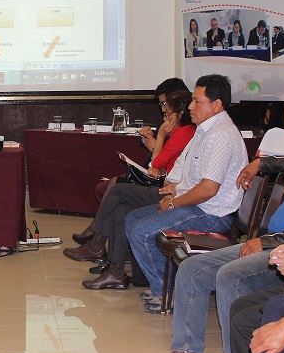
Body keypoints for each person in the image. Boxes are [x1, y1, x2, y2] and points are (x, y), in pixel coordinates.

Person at [144, 108, 284, 353]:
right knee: (194, 269)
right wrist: (257, 163)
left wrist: (267, 242)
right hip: (274, 243)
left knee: (230, 276)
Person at [125, 74, 249, 306]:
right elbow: (193, 176)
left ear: (217, 104)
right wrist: (175, 189)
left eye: (197, 101)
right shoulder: (206, 130)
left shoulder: (220, 135)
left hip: (212, 214)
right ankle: (164, 286)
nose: (190, 106)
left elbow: (208, 189)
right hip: (197, 204)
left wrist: (173, 203)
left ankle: (166, 294)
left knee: (142, 231)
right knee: (133, 218)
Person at [73, 89, 197, 289]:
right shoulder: (185, 132)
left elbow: (155, 162)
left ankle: (96, 245)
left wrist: (162, 136)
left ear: (179, 113)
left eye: (168, 110)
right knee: (121, 208)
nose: (164, 114)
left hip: (173, 193)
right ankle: (115, 272)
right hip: (168, 184)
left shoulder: (185, 133)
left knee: (117, 190)